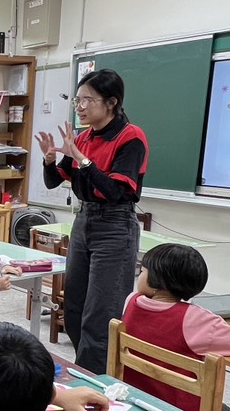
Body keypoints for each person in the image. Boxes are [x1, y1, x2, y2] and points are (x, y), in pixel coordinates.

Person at [37, 68, 148, 374]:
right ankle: (88, 370)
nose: (80, 106)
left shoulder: (131, 137)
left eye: (87, 100)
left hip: (114, 226)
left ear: (111, 102)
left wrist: (83, 160)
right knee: (74, 307)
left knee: (101, 313)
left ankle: (93, 384)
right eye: (77, 99)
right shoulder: (83, 137)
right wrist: (49, 160)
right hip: (85, 221)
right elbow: (54, 180)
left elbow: (114, 190)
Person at [120, 243, 230, 411]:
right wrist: (212, 318)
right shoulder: (196, 319)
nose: (139, 276)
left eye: (142, 271)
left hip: (132, 394)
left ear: (156, 279)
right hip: (180, 408)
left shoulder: (131, 301)